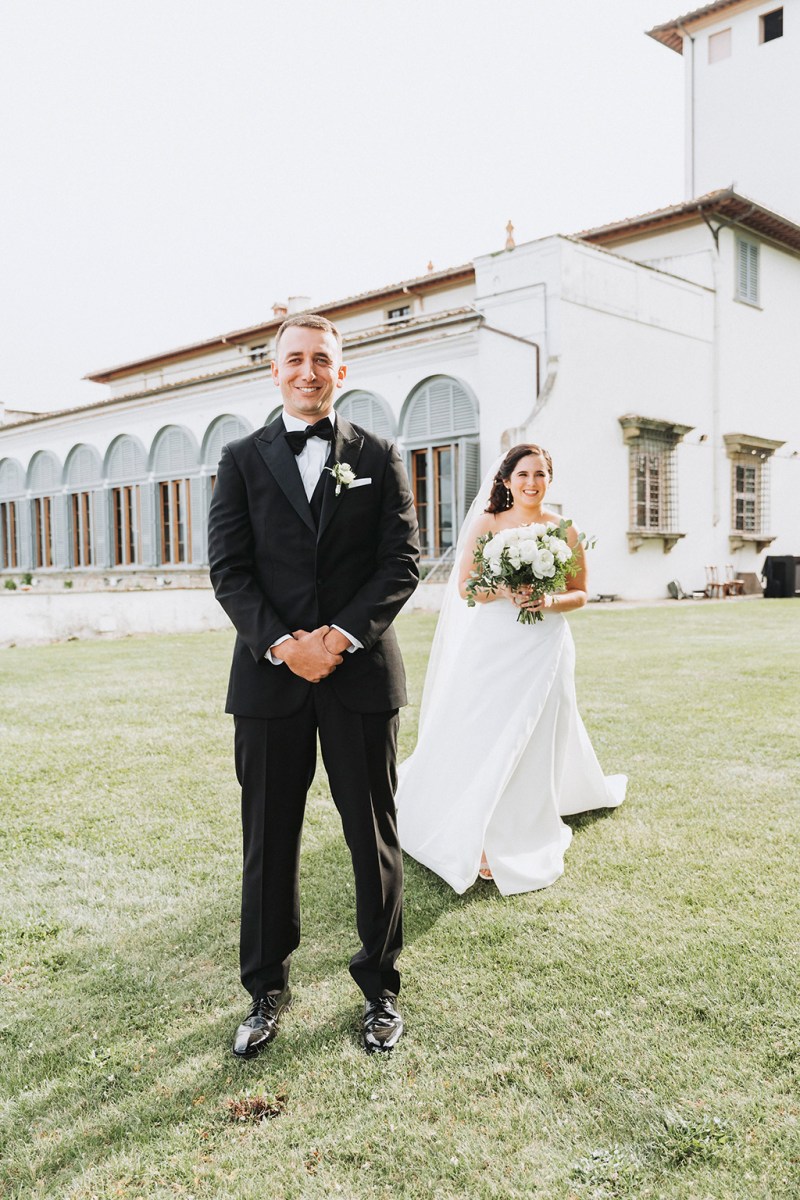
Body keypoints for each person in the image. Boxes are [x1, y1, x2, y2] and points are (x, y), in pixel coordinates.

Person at [208, 314, 420, 1056]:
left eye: (321, 360)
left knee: (374, 840)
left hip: (359, 677)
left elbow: (401, 562)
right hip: (269, 685)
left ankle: (381, 989)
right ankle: (265, 989)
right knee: (269, 841)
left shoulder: (381, 453)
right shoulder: (239, 459)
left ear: (342, 369)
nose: (308, 371)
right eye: (294, 360)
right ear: (274, 372)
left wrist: (337, 638)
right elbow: (229, 571)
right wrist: (283, 645)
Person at [396, 443, 625, 896]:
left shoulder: (564, 529)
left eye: (540, 474)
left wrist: (547, 600)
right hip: (493, 644)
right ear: (506, 480)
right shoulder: (487, 522)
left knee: (536, 732)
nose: (532, 483)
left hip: (546, 645)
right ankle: (472, 821)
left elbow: (580, 593)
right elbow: (465, 588)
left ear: (549, 480)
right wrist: (502, 589)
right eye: (523, 474)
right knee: (482, 729)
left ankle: (521, 825)